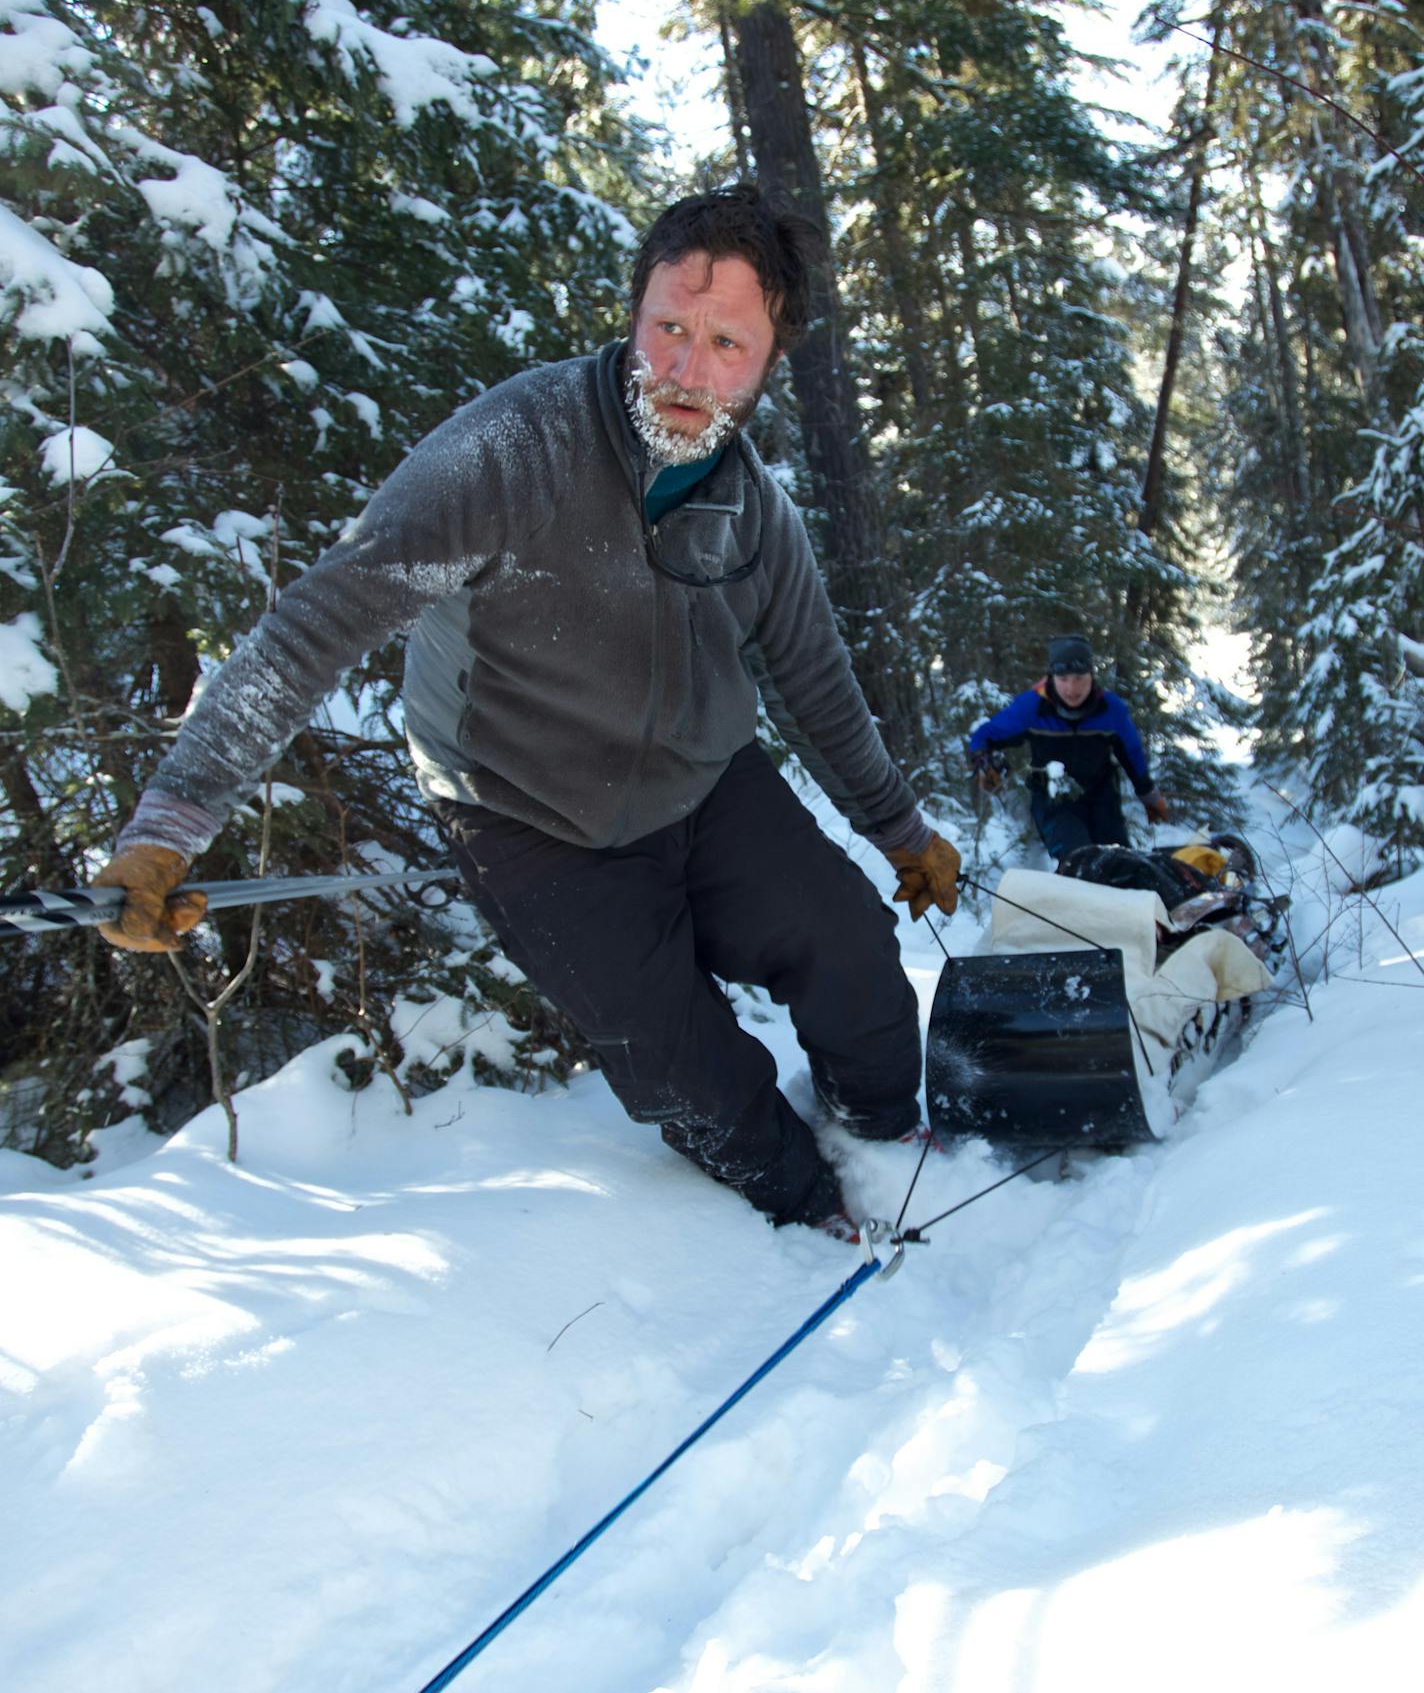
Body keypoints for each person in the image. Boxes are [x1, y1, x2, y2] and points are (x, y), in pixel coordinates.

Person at [95, 185, 961, 1234]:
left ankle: (876, 1135)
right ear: (633, 313)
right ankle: (808, 1205)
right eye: (668, 329)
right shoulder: (512, 454)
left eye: (726, 343)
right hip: (528, 810)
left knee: (851, 946)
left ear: (770, 356)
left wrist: (900, 834)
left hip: (705, 781)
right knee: (677, 1068)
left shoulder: (754, 515)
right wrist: (171, 824)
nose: (686, 371)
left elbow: (819, 689)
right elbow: (309, 629)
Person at [967, 634, 1169, 863]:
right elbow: (984, 736)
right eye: (1063, 678)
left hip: (1102, 797)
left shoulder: (1111, 710)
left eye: (1080, 678)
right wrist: (983, 761)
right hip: (1054, 799)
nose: (1072, 688)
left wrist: (1150, 796)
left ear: (1091, 675)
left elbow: (1131, 754)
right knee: (1078, 860)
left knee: (1120, 862)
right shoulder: (1032, 707)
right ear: (1051, 676)